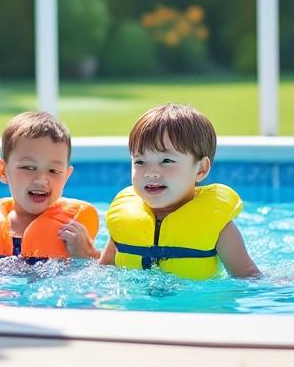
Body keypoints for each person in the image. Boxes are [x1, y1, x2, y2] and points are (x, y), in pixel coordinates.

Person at [99, 104, 260, 279]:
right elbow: (105, 270)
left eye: (166, 160)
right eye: (139, 162)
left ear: (201, 169)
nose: (150, 172)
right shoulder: (123, 219)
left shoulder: (219, 227)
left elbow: (248, 276)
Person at [0, 111, 99, 261]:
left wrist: (86, 255)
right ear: (2, 170)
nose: (41, 180)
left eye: (53, 170)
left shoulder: (72, 232)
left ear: (65, 177)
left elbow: (103, 270)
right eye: (28, 167)